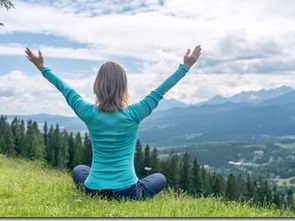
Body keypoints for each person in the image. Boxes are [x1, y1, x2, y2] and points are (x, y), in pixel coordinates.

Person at [25, 45, 202, 200]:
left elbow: (66, 89)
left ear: (97, 86)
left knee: (79, 169)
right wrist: (185, 66)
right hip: (127, 191)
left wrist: (42, 67)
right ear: (123, 86)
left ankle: (103, 184)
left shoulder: (88, 113)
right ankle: (131, 184)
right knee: (160, 178)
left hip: (93, 190)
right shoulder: (134, 113)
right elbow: (160, 91)